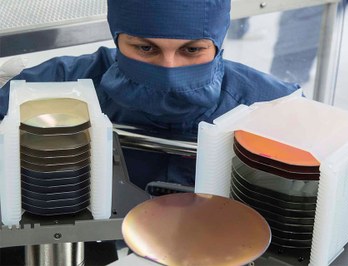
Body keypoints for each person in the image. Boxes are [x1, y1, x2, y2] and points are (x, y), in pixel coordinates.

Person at [0, 0, 299, 191]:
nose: (169, 70)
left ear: (218, 45)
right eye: (146, 48)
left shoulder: (272, 108)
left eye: (192, 50)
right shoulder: (57, 88)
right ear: (117, 37)